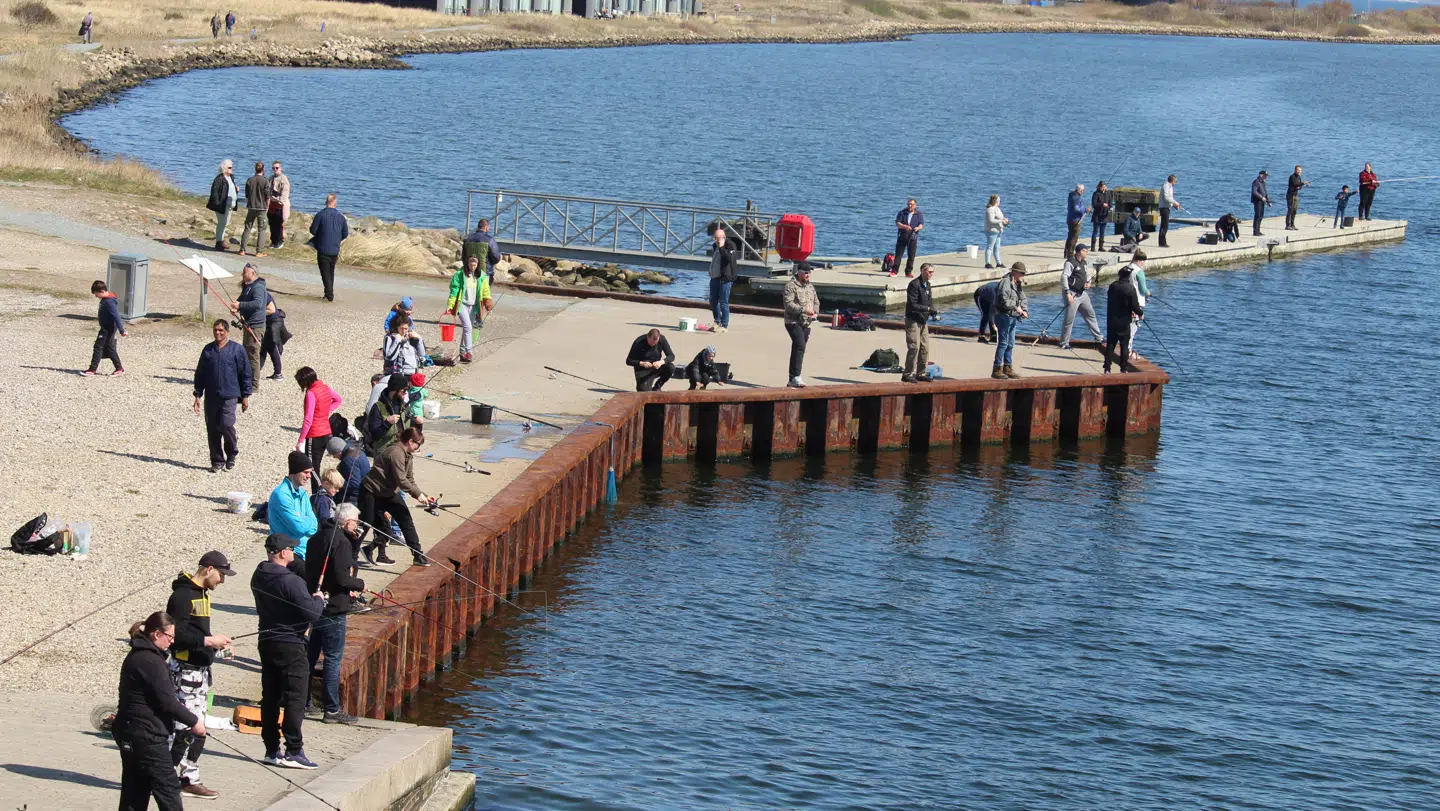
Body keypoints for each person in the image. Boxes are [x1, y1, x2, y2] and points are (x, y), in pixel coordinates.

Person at [114, 612, 203, 811]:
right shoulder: (150, 660)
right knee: (169, 790)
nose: (171, 642)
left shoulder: (141, 654)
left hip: (131, 732)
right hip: (146, 736)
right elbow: (167, 702)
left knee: (135, 791)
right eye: (169, 637)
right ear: (156, 634)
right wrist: (194, 721)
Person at [165, 552, 235, 802]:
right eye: (221, 575)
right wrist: (207, 641)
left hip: (201, 672)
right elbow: (175, 636)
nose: (222, 581)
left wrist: (215, 644)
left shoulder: (203, 594)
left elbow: (197, 632)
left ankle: (188, 779)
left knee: (198, 729)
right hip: (184, 672)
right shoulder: (182, 596)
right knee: (184, 728)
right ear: (208, 569)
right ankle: (168, 779)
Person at [250, 534, 324, 770]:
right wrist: (319, 599)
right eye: (291, 550)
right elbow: (312, 613)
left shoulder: (258, 574)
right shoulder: (291, 582)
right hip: (291, 644)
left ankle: (271, 749)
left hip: (266, 641)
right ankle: (294, 750)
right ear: (283, 553)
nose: (294, 553)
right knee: (295, 697)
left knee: (270, 696)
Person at [305, 502, 365, 725]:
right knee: (332, 658)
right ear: (348, 522)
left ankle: (305, 701)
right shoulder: (340, 542)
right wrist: (359, 584)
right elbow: (341, 579)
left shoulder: (315, 538)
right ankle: (331, 709)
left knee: (310, 656)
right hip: (334, 608)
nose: (357, 526)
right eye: (356, 522)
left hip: (315, 604)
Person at [360, 427, 433, 567]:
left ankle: (417, 554)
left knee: (406, 520)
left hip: (388, 492)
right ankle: (351, 554)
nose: (419, 447)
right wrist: (417, 495)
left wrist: (424, 495)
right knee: (366, 523)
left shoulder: (407, 455)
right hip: (371, 491)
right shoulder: (395, 453)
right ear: (410, 441)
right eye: (418, 444)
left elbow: (409, 479)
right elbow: (401, 480)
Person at [193, 320, 251, 472]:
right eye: (215, 330)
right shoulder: (208, 350)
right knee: (212, 429)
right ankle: (217, 460)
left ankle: (232, 453)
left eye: (221, 330)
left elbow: (245, 373)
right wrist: (198, 395)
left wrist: (245, 395)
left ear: (227, 332)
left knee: (226, 425)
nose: (217, 333)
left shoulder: (237, 350)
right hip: (211, 396)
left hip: (230, 395)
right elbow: (200, 374)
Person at [295, 366, 341, 489]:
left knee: (312, 467)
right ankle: (320, 493)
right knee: (317, 464)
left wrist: (301, 440)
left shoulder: (311, 393)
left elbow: (308, 419)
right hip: (326, 432)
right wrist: (326, 411)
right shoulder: (325, 388)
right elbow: (338, 400)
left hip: (315, 434)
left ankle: (320, 494)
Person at [270, 451, 318, 560]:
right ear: (295, 472)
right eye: (306, 472)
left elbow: (314, 527)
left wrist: (302, 520)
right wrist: (305, 520)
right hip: (287, 553)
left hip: (304, 550)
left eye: (310, 472)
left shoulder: (303, 494)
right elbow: (299, 528)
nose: (309, 476)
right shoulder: (281, 495)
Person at [446, 255, 494, 363]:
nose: (472, 267)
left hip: (474, 306)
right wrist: (450, 305)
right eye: (470, 265)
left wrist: (489, 306)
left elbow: (486, 292)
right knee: (468, 327)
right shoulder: (460, 274)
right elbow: (454, 291)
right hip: (462, 305)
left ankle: (462, 353)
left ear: (478, 265)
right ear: (467, 264)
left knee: (467, 329)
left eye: (474, 265)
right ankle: (469, 352)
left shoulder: (482, 276)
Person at [229, 263, 267, 390]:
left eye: (245, 272)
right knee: (246, 354)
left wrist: (240, 306)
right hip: (248, 324)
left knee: (252, 355)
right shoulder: (248, 287)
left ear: (253, 273)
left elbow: (258, 303)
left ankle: (254, 385)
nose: (242, 274)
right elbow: (241, 300)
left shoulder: (258, 287)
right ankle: (246, 381)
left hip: (255, 326)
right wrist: (236, 307)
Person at [782, 261, 819, 388]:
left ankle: (792, 378)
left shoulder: (810, 286)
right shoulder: (790, 286)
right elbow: (788, 305)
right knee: (800, 345)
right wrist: (803, 310)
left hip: (806, 323)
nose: (808, 275)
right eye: (805, 273)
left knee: (798, 349)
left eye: (809, 273)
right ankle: (796, 376)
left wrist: (815, 312)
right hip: (792, 321)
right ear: (799, 273)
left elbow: (816, 301)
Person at [1059, 245, 1102, 350]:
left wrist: (1089, 282)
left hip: (1082, 294)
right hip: (1072, 294)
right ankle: (1064, 342)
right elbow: (1064, 277)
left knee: (1090, 314)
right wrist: (1067, 293)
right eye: (1084, 250)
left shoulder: (1084, 262)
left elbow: (1087, 274)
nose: (1086, 252)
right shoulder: (1070, 262)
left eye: (1086, 250)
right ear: (1078, 252)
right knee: (1069, 319)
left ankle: (1098, 337)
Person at [1104, 264, 1145, 374]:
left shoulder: (1112, 286)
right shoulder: (1130, 289)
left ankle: (1107, 368)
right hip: (1124, 321)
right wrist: (1140, 313)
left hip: (1112, 319)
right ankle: (1123, 368)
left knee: (1110, 345)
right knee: (1124, 346)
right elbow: (1135, 306)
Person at [901, 263, 938, 383]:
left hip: (923, 320)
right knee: (914, 347)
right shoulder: (914, 284)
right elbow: (913, 304)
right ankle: (907, 374)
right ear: (922, 271)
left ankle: (921, 373)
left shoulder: (928, 285)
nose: (931, 274)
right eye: (929, 272)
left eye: (932, 272)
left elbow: (929, 301)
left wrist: (932, 311)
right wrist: (927, 309)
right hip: (913, 320)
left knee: (925, 348)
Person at [991, 262, 1028, 380]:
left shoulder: (1018, 283)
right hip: (1002, 315)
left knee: (1011, 343)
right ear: (1014, 272)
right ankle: (997, 369)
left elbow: (1023, 298)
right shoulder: (1005, 282)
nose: (1023, 276)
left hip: (1013, 317)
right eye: (1021, 273)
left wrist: (1024, 309)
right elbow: (1003, 299)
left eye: (1023, 273)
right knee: (1003, 342)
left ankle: (1008, 367)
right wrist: (1015, 307)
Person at [309, 193, 349, 302]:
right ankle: (329, 292)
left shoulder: (320, 215)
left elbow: (312, 230)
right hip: (335, 248)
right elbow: (345, 233)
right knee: (330, 271)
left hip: (323, 248)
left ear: (326, 202)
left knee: (325, 272)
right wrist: (336, 238)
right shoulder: (341, 217)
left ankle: (329, 294)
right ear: (335, 204)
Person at [367, 373, 418, 454]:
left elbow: (413, 432)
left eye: (407, 390)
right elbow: (374, 435)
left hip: (403, 455)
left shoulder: (404, 406)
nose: (406, 393)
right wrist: (387, 423)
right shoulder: (378, 407)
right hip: (384, 457)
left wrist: (418, 424)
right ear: (395, 390)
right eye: (404, 390)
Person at [84, 279, 126, 376]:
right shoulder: (107, 299)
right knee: (110, 348)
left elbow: (116, 316)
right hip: (106, 327)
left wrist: (122, 330)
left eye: (96, 294)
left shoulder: (109, 302)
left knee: (98, 347)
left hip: (108, 328)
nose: (96, 296)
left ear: (102, 291)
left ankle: (92, 369)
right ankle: (119, 369)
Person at [707, 227, 739, 332]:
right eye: (714, 238)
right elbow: (715, 259)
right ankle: (717, 321)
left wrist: (721, 248)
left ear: (723, 237)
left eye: (717, 238)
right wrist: (711, 269)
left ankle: (724, 325)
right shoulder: (714, 246)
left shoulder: (730, 245)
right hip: (714, 277)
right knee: (713, 301)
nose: (716, 240)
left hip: (725, 278)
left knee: (723, 302)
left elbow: (729, 259)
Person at [205, 159, 238, 252]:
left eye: (232, 167)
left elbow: (230, 188)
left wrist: (236, 190)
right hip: (222, 205)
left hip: (230, 205)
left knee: (225, 223)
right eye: (230, 167)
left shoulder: (231, 177)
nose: (232, 169)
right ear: (224, 168)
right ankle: (219, 242)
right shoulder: (219, 179)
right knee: (222, 223)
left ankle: (221, 240)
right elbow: (214, 192)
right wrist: (218, 204)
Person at [240, 161, 270, 256]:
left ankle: (242, 249)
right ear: (263, 169)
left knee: (247, 227)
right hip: (261, 208)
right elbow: (267, 197)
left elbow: (247, 195)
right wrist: (267, 207)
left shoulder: (250, 180)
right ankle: (259, 251)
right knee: (262, 229)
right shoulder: (265, 181)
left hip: (251, 207)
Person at [331, 435, 369, 507]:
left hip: (356, 496)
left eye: (334, 454)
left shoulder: (348, 460)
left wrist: (338, 483)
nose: (334, 457)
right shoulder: (356, 449)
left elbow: (354, 484)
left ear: (339, 451)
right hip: (364, 489)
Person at [258, 288, 287, 381]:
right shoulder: (260, 293)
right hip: (270, 323)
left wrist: (256, 314)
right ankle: (256, 372)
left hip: (274, 323)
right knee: (264, 348)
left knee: (269, 347)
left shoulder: (263, 294)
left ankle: (278, 374)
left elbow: (271, 310)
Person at [1127, 250, 1150, 360]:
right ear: (1140, 260)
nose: (1143, 263)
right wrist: (1148, 293)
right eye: (1143, 261)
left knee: (1127, 325)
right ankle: (1128, 350)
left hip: (1126, 301)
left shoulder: (1127, 268)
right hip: (1137, 302)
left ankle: (1126, 348)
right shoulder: (1139, 271)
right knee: (1133, 327)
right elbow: (1143, 288)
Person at [894, 199, 924, 277]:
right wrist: (905, 226)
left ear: (915, 205)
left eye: (912, 204)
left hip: (913, 237)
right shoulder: (902, 213)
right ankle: (894, 271)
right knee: (898, 255)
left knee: (911, 255)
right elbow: (897, 223)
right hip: (902, 236)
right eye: (908, 204)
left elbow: (921, 224)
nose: (910, 206)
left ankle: (908, 272)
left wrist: (918, 228)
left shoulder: (918, 214)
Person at [267, 161, 290, 249]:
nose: (275, 170)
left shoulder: (283, 179)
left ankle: (279, 241)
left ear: (280, 168)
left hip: (279, 204)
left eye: (277, 168)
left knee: (279, 224)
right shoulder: (270, 178)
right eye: (273, 168)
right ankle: (273, 241)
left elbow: (285, 192)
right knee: (271, 223)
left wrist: (281, 201)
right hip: (271, 204)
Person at [1064, 183, 1089, 258]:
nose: (1083, 191)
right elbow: (1076, 209)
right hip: (1075, 220)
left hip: (1070, 218)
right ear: (1080, 190)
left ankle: (1066, 252)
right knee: (1074, 237)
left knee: (1070, 236)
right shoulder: (1077, 198)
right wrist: (1085, 209)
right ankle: (1070, 254)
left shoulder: (1071, 196)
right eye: (1083, 190)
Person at [984, 195, 1008, 269]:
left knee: (997, 247)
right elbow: (991, 220)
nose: (999, 202)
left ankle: (999, 263)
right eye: (999, 201)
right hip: (992, 231)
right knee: (990, 247)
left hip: (998, 231)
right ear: (996, 201)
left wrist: (1005, 220)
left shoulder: (997, 209)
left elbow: (1000, 217)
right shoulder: (990, 209)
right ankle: (987, 263)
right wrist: (1001, 221)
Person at [1159, 174, 1184, 247]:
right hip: (1164, 208)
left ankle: (1161, 242)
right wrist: (1176, 202)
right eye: (1175, 181)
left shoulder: (1170, 187)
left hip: (1167, 207)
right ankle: (1162, 242)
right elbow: (1166, 198)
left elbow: (1170, 199)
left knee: (1164, 225)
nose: (1175, 183)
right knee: (1165, 226)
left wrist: (1174, 205)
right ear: (1172, 180)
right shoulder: (1166, 186)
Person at [1284, 165, 1309, 231]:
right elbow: (1295, 184)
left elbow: (1299, 186)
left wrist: (1300, 186)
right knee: (1290, 210)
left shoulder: (1299, 177)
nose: (1299, 171)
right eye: (1298, 170)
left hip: (1296, 195)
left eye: (1300, 170)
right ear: (1295, 170)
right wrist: (1303, 183)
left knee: (1294, 210)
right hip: (1290, 195)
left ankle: (1292, 224)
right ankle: (1287, 225)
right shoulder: (1292, 177)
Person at [1090, 181, 1113, 252]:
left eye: (1105, 187)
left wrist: (1110, 207)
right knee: (1095, 231)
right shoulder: (1096, 194)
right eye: (1102, 187)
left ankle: (1101, 246)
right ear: (1099, 187)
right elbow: (1094, 204)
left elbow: (1110, 202)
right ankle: (1093, 247)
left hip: (1105, 215)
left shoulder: (1107, 193)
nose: (1104, 188)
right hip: (1097, 215)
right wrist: (1102, 204)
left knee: (1102, 232)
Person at [1251, 170, 1272, 236]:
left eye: (1266, 176)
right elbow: (1254, 192)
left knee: (1261, 216)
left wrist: (1268, 201)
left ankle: (1258, 230)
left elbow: (1265, 193)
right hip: (1257, 201)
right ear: (1261, 175)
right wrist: (1261, 197)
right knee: (1257, 216)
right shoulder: (1256, 182)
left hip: (1263, 202)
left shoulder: (1263, 182)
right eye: (1265, 175)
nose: (1266, 177)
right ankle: (1255, 231)